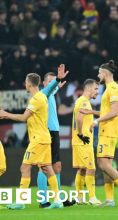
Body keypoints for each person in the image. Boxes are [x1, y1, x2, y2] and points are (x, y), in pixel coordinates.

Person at [0, 70, 68, 209]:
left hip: (38, 140)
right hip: (44, 138)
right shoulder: (41, 96)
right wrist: (57, 81)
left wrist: (6, 114)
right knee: (47, 169)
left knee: (25, 167)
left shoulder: (36, 99)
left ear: (29, 84)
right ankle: (57, 200)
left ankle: (20, 202)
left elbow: (24, 118)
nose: (25, 84)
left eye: (25, 82)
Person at [88, 60, 118, 207]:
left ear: (105, 73)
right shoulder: (109, 89)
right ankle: (109, 199)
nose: (98, 75)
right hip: (106, 131)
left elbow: (114, 112)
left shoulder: (113, 88)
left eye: (99, 72)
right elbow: (107, 111)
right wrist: (92, 112)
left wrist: (96, 121)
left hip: (108, 131)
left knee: (104, 164)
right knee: (103, 164)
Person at [38, 69, 75, 208]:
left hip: (55, 132)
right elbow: (50, 89)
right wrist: (57, 82)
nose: (53, 84)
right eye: (50, 81)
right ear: (44, 83)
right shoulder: (42, 94)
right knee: (44, 167)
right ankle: (43, 201)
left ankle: (58, 198)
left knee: (57, 167)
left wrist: (57, 86)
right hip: (46, 132)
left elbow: (52, 89)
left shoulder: (52, 93)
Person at [72, 79, 101, 205]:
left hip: (80, 140)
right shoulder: (83, 101)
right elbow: (79, 118)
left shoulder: (82, 101)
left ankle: (79, 197)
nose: (97, 92)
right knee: (91, 168)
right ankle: (92, 197)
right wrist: (80, 134)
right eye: (95, 89)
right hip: (82, 140)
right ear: (88, 89)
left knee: (82, 169)